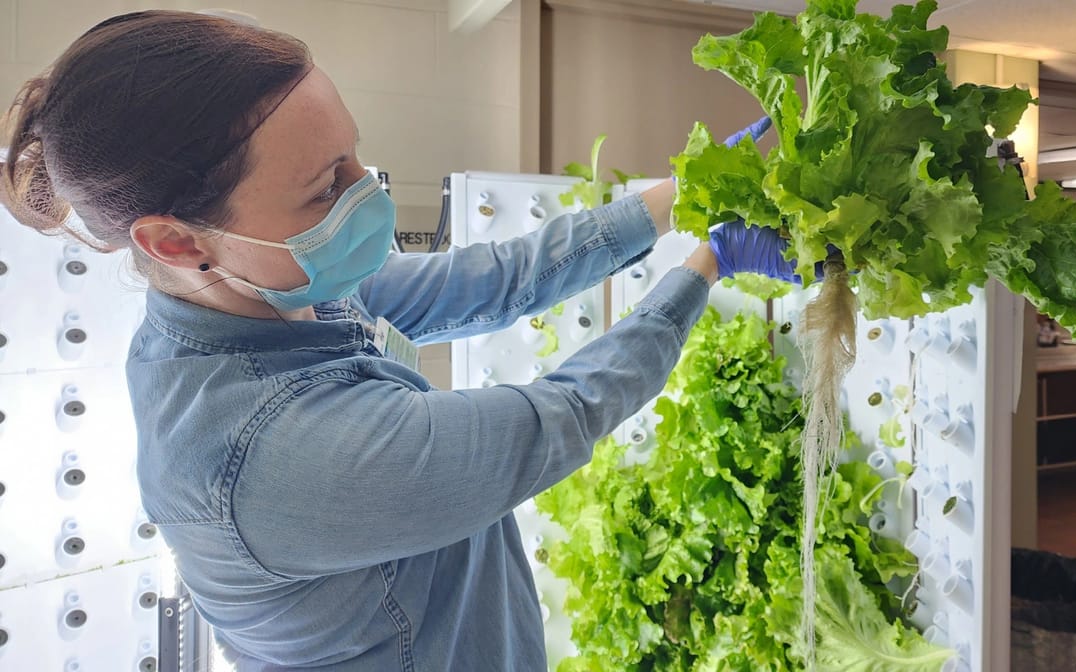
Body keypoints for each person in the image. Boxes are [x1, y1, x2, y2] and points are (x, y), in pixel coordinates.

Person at [0, 11, 799, 671]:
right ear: (177, 241)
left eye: (351, 155)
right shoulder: (265, 461)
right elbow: (556, 418)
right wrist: (708, 260)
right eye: (324, 188)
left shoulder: (268, 290)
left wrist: (681, 193)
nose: (365, 195)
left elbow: (493, 280)